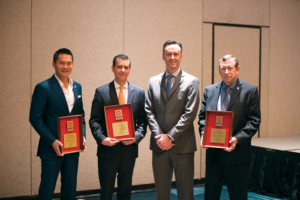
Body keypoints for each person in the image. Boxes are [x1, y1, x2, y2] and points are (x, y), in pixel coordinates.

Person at [198, 54, 261, 200]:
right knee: (210, 196)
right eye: (223, 68)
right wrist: (203, 134)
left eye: (230, 68)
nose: (226, 72)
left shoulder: (250, 90)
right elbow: (202, 118)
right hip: (214, 155)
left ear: (237, 69)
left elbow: (254, 120)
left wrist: (237, 139)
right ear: (219, 71)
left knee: (238, 196)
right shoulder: (209, 90)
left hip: (238, 154)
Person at [145, 40, 200, 200]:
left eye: (176, 54)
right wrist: (160, 137)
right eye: (168, 54)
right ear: (163, 56)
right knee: (161, 193)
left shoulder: (192, 81)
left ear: (181, 56)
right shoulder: (153, 81)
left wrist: (170, 137)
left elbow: (190, 114)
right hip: (159, 146)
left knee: (185, 193)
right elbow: (149, 110)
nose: (172, 57)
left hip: (183, 146)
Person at [29, 48, 86, 200]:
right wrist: (52, 141)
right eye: (61, 63)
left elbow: (81, 115)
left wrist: (83, 136)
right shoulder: (44, 87)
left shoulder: (77, 87)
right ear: (54, 64)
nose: (65, 67)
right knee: (47, 190)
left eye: (69, 63)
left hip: (72, 148)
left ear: (73, 65)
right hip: (51, 148)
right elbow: (35, 118)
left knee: (70, 190)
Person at [89, 54, 147, 200]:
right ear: (113, 68)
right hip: (107, 151)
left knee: (125, 192)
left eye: (126, 67)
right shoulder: (101, 92)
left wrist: (136, 138)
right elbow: (94, 120)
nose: (122, 70)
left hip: (129, 151)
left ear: (130, 69)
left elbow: (143, 122)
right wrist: (102, 139)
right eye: (119, 66)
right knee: (106, 191)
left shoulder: (139, 93)